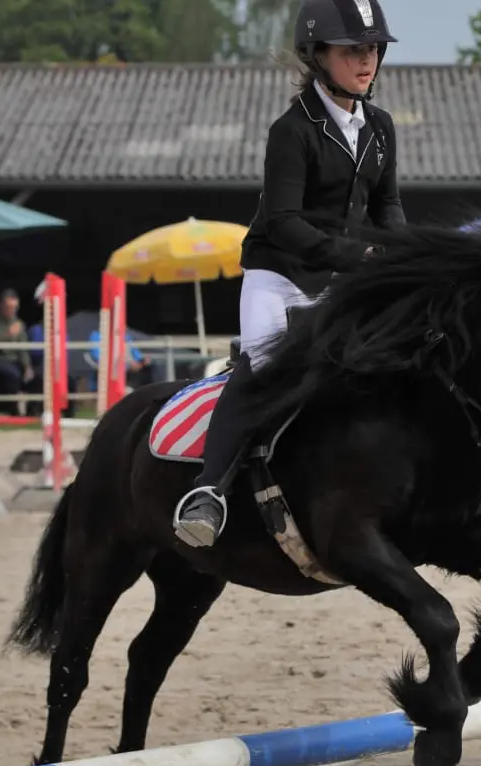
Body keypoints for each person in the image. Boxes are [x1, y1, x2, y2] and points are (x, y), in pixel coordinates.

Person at [172, 0, 403, 549]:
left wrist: (407, 254)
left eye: (372, 49)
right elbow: (283, 222)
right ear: (317, 55)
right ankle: (208, 491)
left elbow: (387, 206)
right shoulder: (292, 130)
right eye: (352, 50)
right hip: (278, 275)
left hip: (339, 279)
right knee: (264, 366)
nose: (366, 61)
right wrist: (357, 257)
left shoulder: (380, 127)